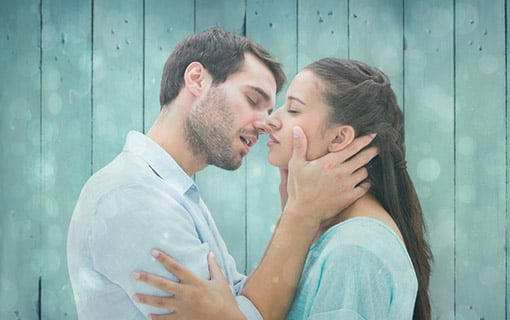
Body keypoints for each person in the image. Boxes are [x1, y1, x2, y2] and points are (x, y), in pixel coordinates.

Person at [67, 28, 377, 320]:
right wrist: (301, 214)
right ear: (197, 79)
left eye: (271, 110)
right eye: (253, 100)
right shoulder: (132, 198)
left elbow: (237, 300)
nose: (265, 123)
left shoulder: (176, 194)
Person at [132, 58, 432, 319]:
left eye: (293, 109)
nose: (269, 122)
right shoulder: (340, 237)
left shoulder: (355, 250)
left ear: (340, 139)